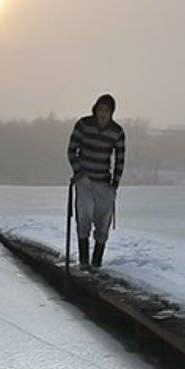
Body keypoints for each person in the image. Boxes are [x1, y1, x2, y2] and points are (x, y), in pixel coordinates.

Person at [66, 93, 125, 270]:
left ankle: (96, 262)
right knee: (83, 218)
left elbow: (120, 159)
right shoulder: (83, 125)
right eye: (100, 110)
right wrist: (78, 172)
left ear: (111, 112)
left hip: (104, 183)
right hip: (85, 180)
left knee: (102, 224)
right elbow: (71, 150)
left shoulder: (117, 131)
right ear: (95, 109)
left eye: (106, 111)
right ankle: (84, 261)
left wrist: (115, 183)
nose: (103, 114)